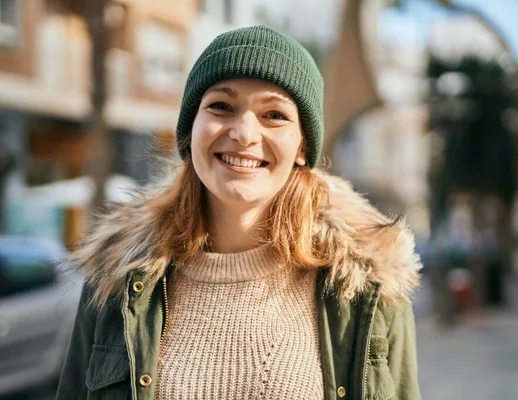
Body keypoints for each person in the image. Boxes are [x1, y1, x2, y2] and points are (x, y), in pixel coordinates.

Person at [56, 25, 422, 400]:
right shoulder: (117, 276)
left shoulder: (367, 284)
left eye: (275, 115)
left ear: (302, 146)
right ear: (191, 130)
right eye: (221, 107)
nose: (245, 133)